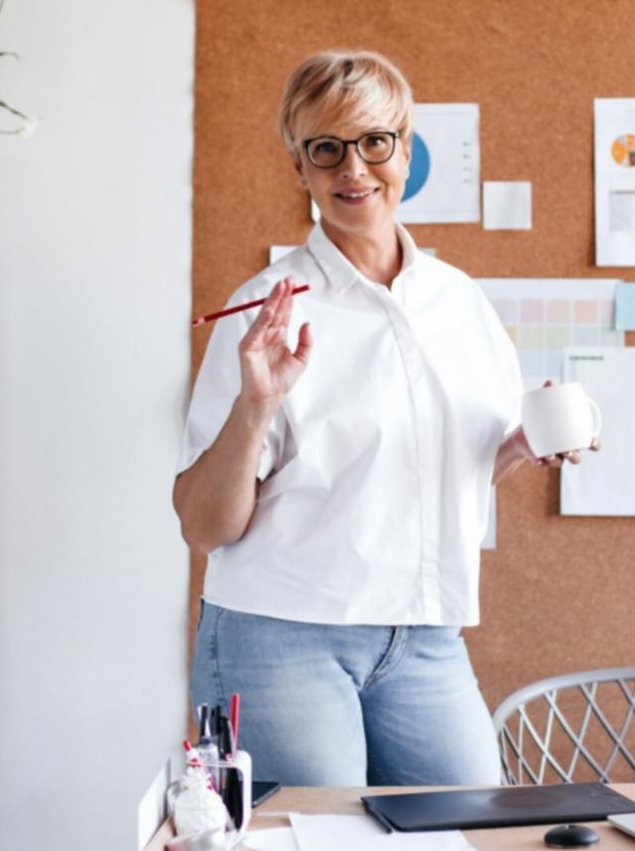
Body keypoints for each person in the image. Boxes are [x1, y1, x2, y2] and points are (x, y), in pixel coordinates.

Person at [173, 49, 592, 787]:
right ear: (300, 168)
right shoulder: (269, 309)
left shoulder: (460, 303)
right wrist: (255, 405)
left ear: (406, 149)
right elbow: (204, 527)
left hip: (425, 636)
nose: (354, 168)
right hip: (282, 637)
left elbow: (446, 471)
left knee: (468, 844)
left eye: (375, 142)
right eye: (326, 149)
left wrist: (524, 445)